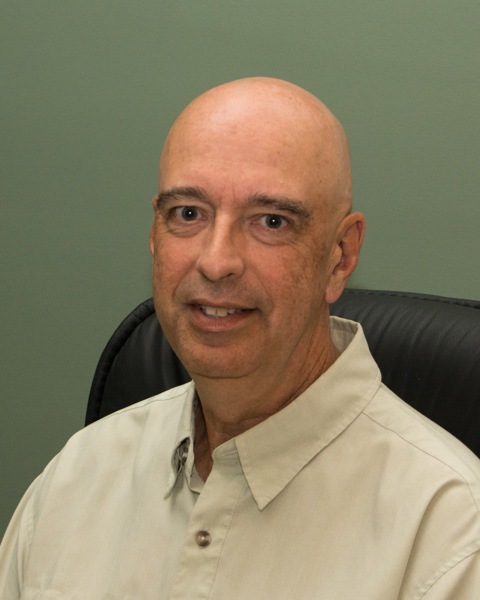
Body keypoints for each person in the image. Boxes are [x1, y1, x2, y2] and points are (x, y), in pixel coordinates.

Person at [1, 77, 479, 599]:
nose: (216, 261)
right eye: (188, 214)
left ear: (340, 257)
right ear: (154, 235)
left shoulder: (450, 534)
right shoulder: (76, 477)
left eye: (271, 221)